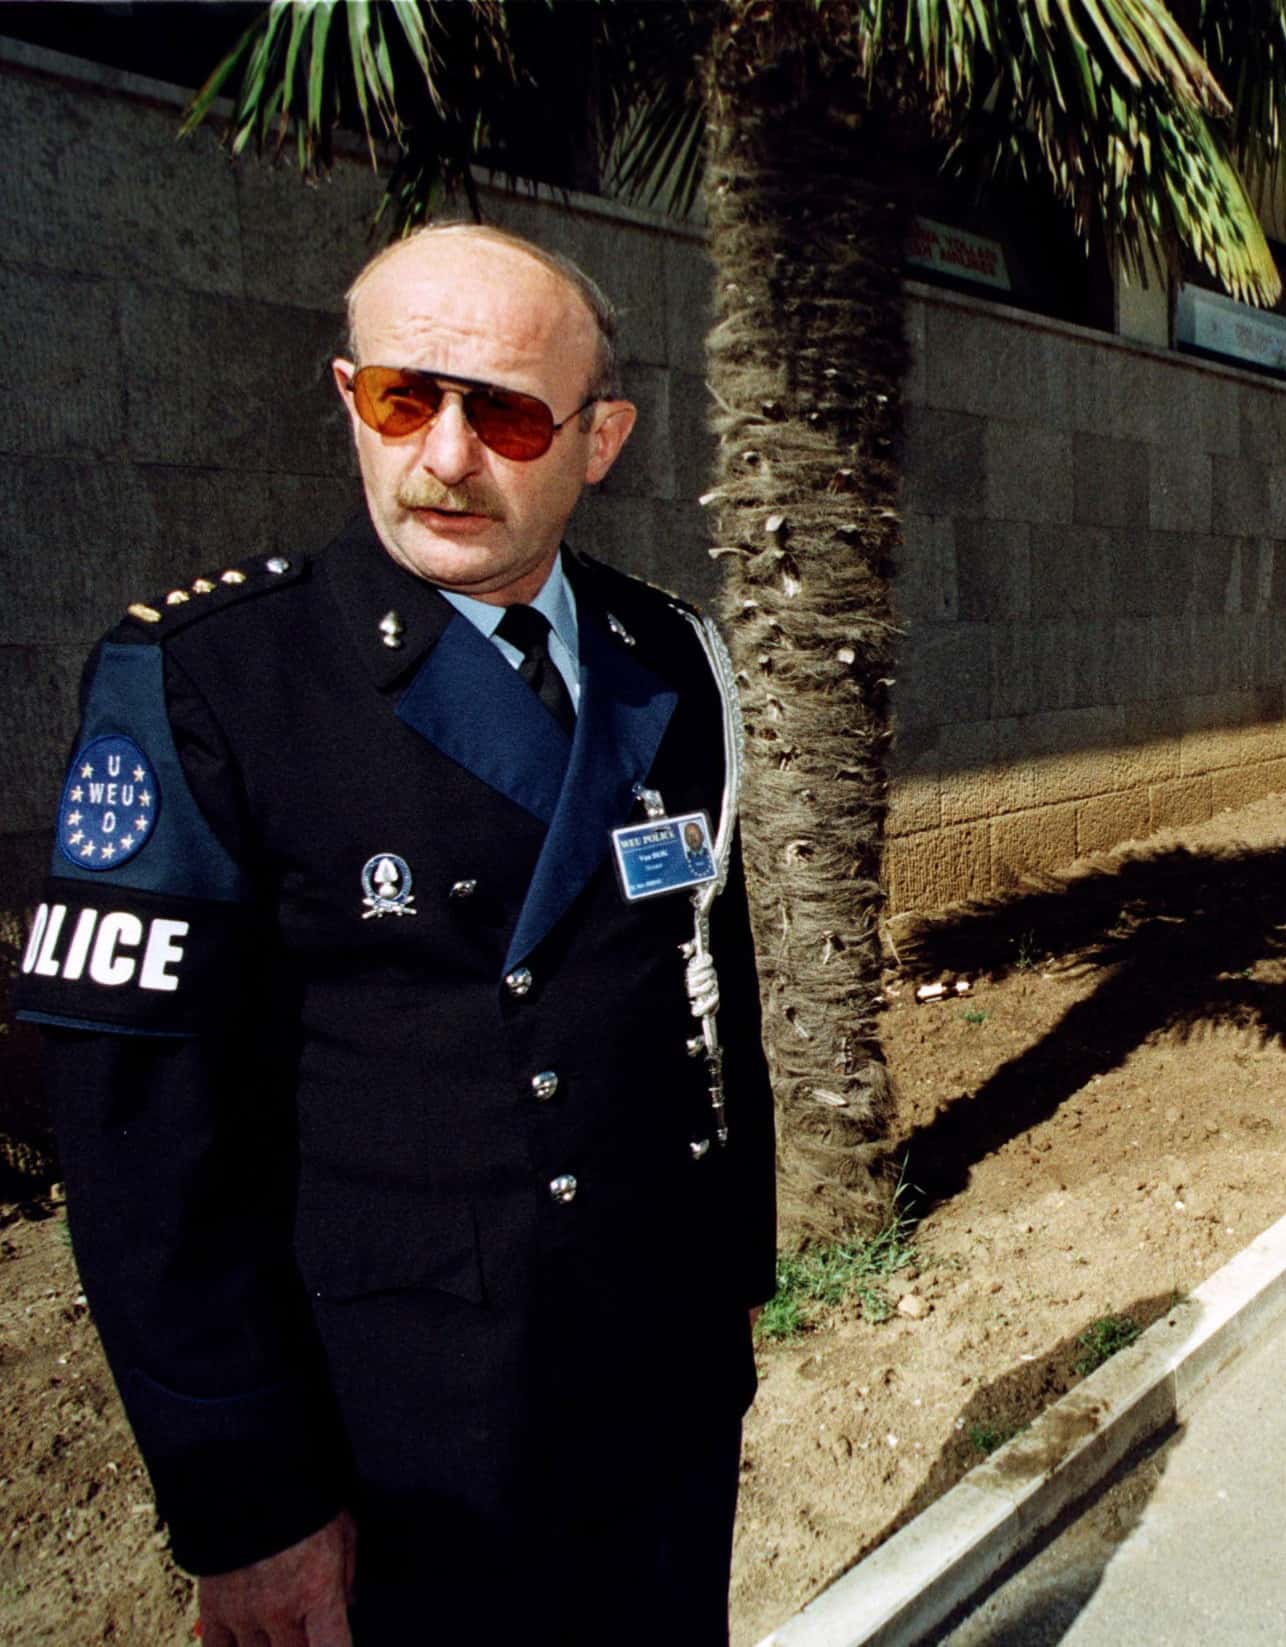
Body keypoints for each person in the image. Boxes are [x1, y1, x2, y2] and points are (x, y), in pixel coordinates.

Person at [15, 225, 774, 1646]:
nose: (446, 458)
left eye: (506, 412)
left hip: (656, 1389)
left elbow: (703, 1000)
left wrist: (730, 1279)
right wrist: (249, 1503)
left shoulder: (669, 655)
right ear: (348, 396)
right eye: (402, 402)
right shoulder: (214, 679)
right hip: (402, 1436)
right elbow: (137, 1131)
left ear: (599, 437)